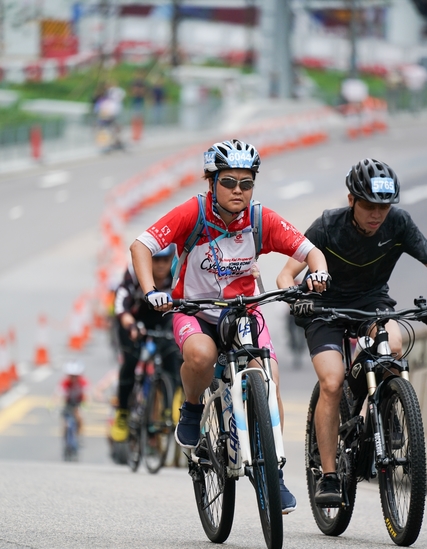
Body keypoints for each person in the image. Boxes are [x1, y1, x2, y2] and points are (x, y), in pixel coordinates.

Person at [130, 139, 330, 514]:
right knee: (201, 355)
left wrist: (319, 271)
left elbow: (309, 250)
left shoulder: (259, 218)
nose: (238, 191)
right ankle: (191, 409)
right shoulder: (192, 212)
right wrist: (151, 291)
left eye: (246, 183)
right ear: (212, 182)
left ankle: (274, 472)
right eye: (229, 182)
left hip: (243, 313)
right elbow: (140, 246)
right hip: (194, 310)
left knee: (268, 382)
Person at [277, 158, 427, 507]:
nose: (377, 215)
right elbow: (286, 274)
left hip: (372, 304)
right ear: (351, 200)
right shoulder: (328, 225)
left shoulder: (399, 223)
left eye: (384, 207)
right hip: (324, 310)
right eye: (369, 207)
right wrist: (293, 298)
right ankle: (329, 475)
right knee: (331, 382)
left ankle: (383, 410)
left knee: (393, 344)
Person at [111, 244, 182, 444]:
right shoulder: (135, 273)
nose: (160, 266)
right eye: (155, 260)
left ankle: (170, 407)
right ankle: (123, 413)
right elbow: (121, 303)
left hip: (161, 318)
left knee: (172, 355)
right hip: (133, 321)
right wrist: (130, 325)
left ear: (171, 260)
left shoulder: (177, 274)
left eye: (164, 261)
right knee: (130, 362)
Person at [59, 361, 87, 440]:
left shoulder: (82, 382)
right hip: (68, 404)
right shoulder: (65, 382)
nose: (73, 378)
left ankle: (78, 436)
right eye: (71, 376)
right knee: (65, 423)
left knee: (79, 418)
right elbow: (58, 394)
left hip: (78, 403)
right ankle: (65, 439)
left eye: (75, 376)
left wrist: (85, 404)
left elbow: (86, 394)